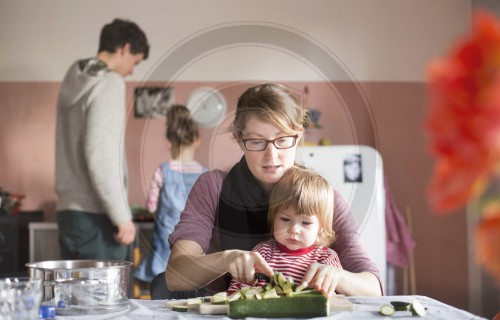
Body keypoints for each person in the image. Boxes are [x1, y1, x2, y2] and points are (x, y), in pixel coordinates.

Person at [166, 83, 382, 297]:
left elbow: (374, 287)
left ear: (298, 136)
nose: (272, 156)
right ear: (239, 141)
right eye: (256, 142)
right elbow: (175, 276)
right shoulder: (213, 187)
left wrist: (339, 276)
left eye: (282, 140)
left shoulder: (326, 199)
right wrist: (226, 259)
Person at [55, 18, 149, 260]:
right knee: (109, 298)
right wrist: (122, 217)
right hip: (98, 217)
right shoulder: (109, 82)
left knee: (74, 296)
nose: (131, 71)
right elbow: (101, 156)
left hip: (70, 216)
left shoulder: (74, 77)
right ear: (125, 48)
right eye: (134, 62)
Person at [226, 166, 343, 296]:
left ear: (321, 226)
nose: (294, 229)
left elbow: (336, 295)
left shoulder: (326, 258)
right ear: (273, 217)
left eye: (306, 222)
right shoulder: (261, 253)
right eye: (285, 219)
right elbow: (236, 292)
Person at [134, 105, 207, 282]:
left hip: (165, 253)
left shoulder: (163, 171)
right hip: (196, 252)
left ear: (169, 141)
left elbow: (151, 207)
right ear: (197, 140)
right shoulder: (206, 174)